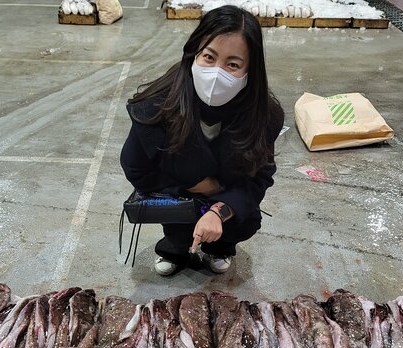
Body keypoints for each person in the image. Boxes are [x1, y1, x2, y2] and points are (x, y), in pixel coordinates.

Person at [120, 5, 285, 276]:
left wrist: (219, 209)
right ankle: (173, 247)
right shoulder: (155, 105)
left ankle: (221, 247)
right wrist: (193, 186)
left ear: (250, 71)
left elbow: (259, 178)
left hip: (225, 192)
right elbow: (135, 166)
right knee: (179, 220)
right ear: (194, 52)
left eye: (233, 64)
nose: (217, 72)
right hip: (175, 188)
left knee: (246, 221)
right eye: (209, 57)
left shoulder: (264, 115)